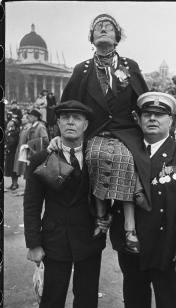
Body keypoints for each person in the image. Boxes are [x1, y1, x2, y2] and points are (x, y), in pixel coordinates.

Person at [48, 13, 151, 253]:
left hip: (127, 132)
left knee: (128, 159)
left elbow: (144, 103)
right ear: (91, 38)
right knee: (93, 157)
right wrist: (58, 134)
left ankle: (130, 226)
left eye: (109, 27)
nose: (103, 30)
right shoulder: (81, 70)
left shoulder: (130, 66)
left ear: (117, 37)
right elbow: (67, 106)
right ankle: (101, 217)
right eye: (98, 28)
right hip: (95, 132)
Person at [109, 92, 176, 308]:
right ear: (139, 119)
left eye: (159, 115)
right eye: (147, 114)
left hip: (168, 248)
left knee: (168, 307)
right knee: (134, 306)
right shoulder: (124, 151)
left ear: (171, 121)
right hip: (131, 246)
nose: (152, 118)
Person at [24, 100, 107, 308]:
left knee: (87, 299)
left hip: (89, 238)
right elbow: (32, 204)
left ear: (86, 124)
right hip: (54, 239)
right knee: (52, 299)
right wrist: (34, 243)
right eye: (65, 117)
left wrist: (105, 218)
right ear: (58, 123)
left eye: (77, 118)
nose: (71, 122)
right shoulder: (42, 158)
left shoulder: (98, 156)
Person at [13, 113, 32, 181]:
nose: (22, 119)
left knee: (26, 169)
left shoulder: (29, 128)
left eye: (24, 118)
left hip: (25, 151)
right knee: (20, 168)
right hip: (20, 150)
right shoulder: (23, 127)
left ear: (28, 119)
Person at [4, 118, 20, 190]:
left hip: (14, 153)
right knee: (10, 169)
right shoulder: (9, 131)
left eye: (12, 123)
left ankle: (15, 184)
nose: (10, 124)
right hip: (9, 152)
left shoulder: (16, 132)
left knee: (14, 169)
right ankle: (13, 183)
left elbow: (12, 142)